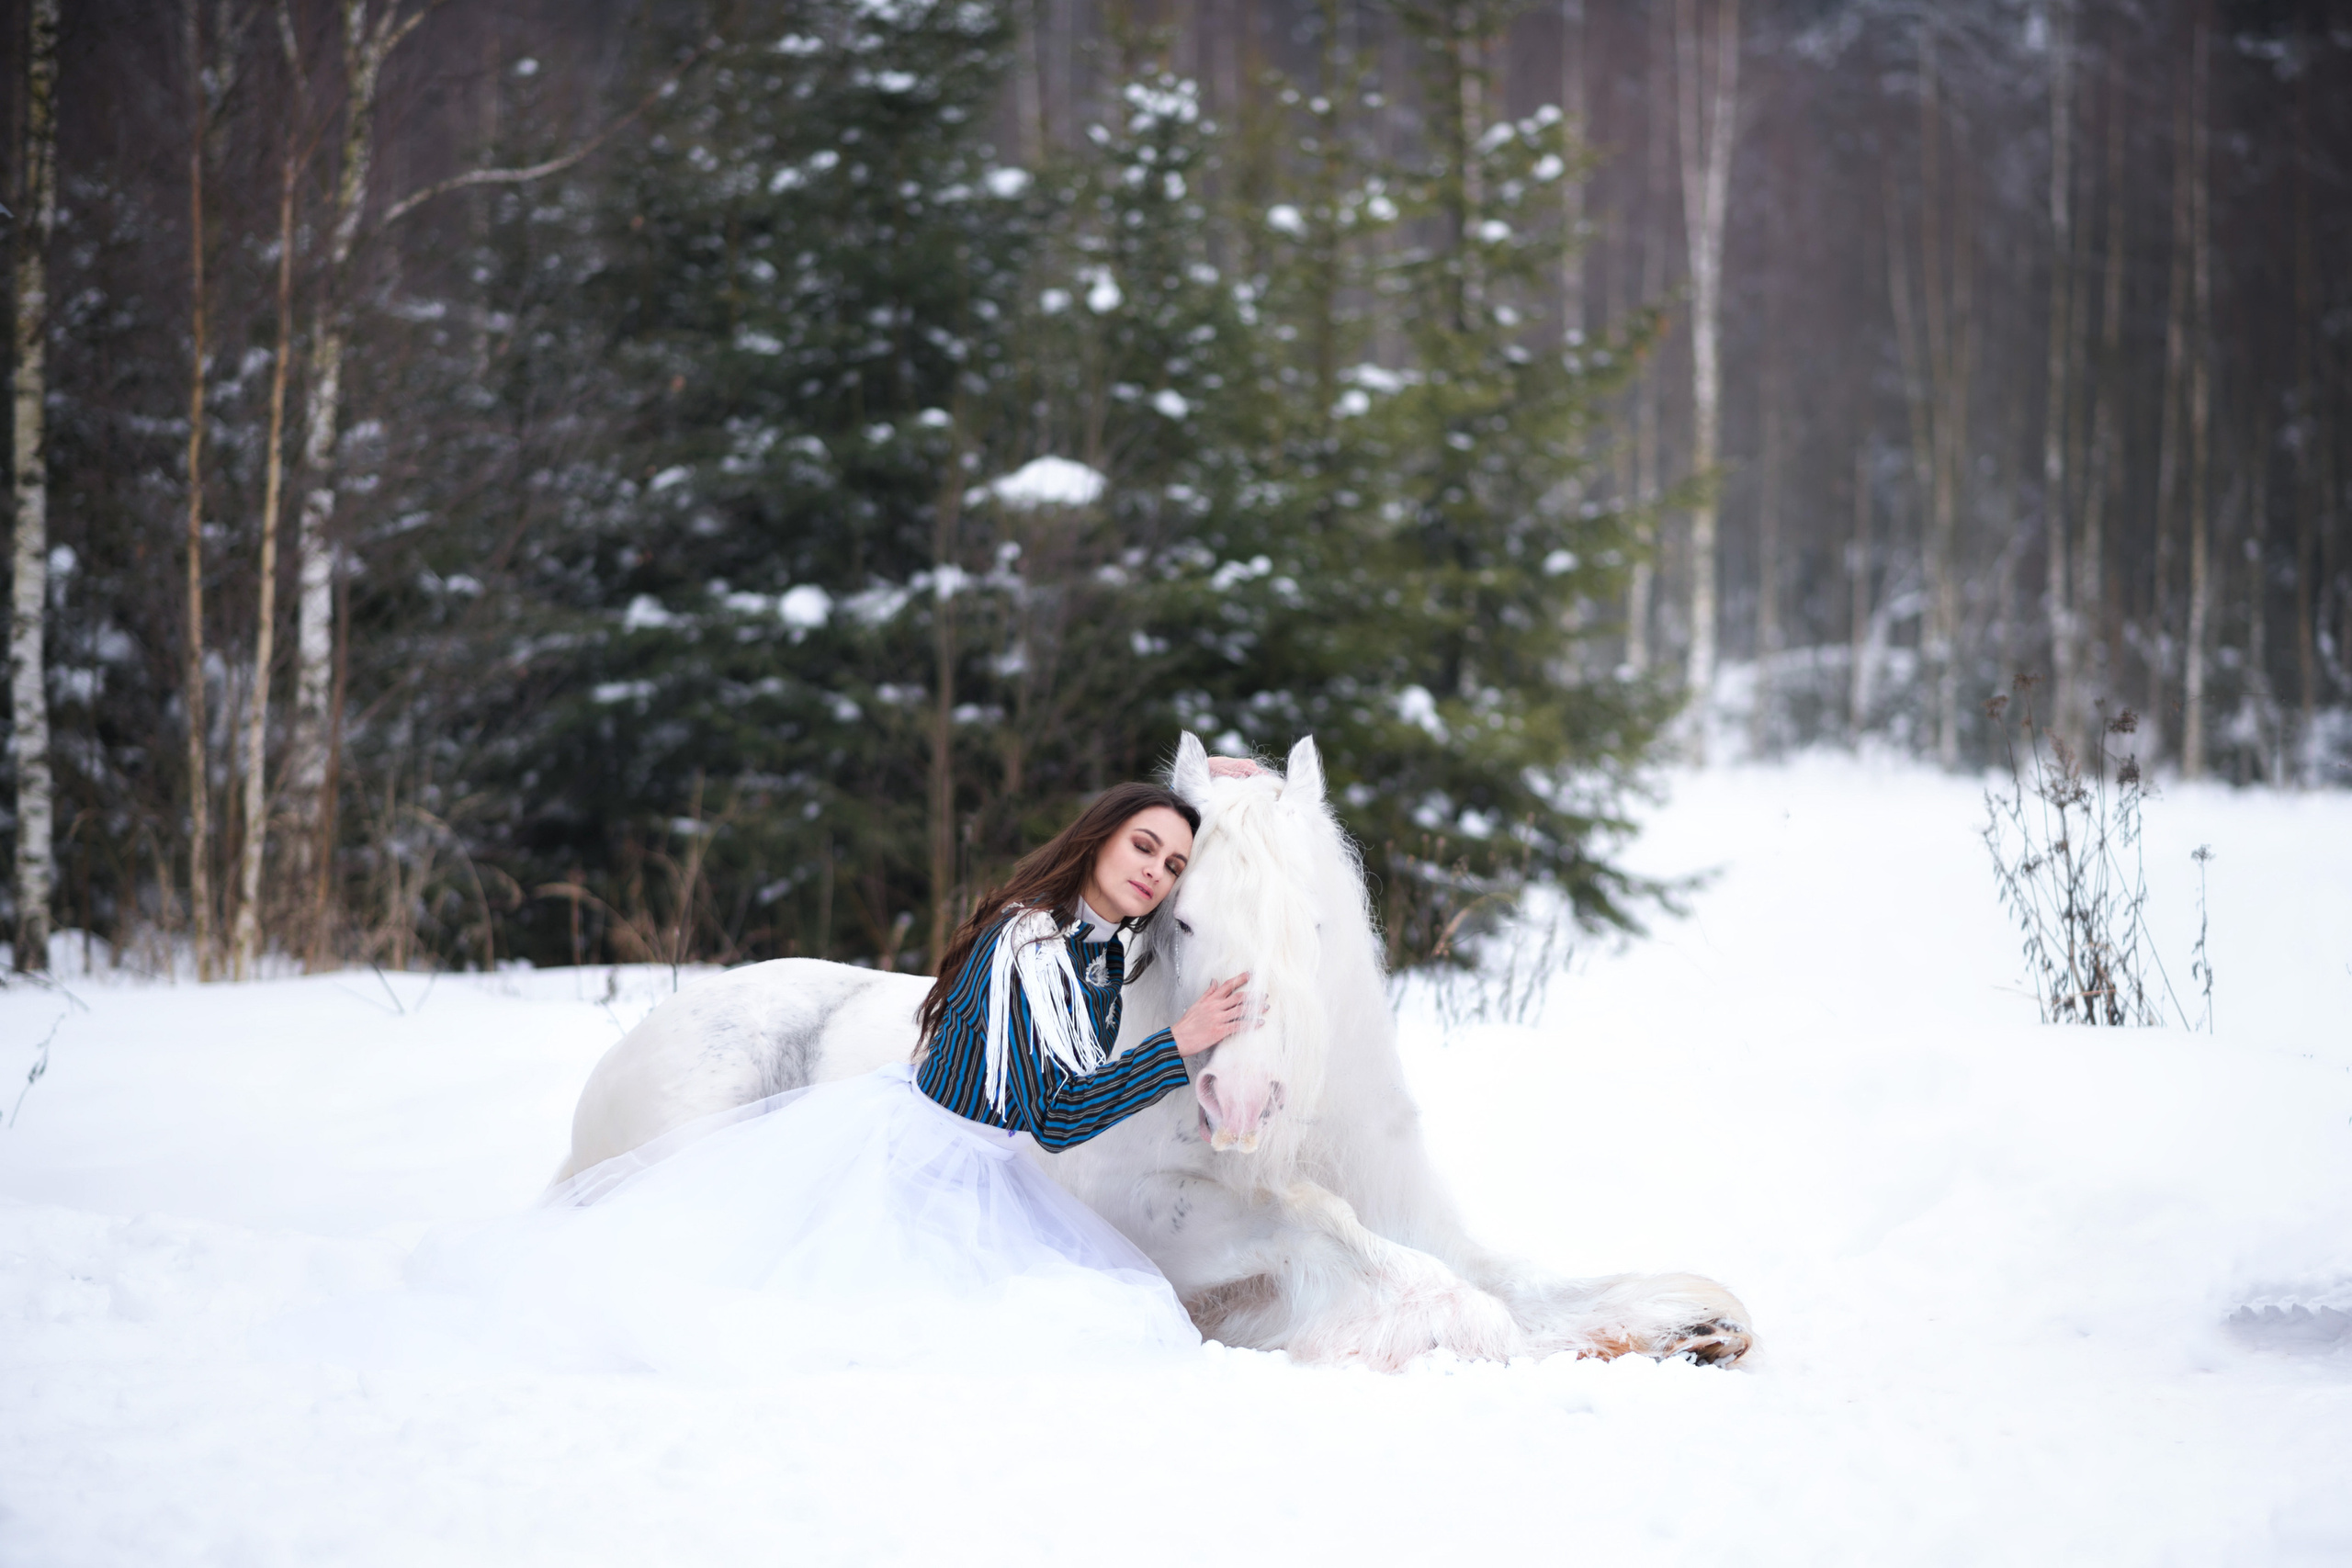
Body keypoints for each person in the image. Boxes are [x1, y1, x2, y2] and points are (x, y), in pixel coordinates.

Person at [280, 767, 1262, 1380]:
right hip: (928, 1159)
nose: (1157, 873)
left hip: (989, 1167)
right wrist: (1177, 1046)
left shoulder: (1095, 958)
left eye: (1176, 865)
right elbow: (1054, 1116)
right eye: (1145, 846)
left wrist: (1227, 796)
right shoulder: (1029, 943)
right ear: (1097, 839)